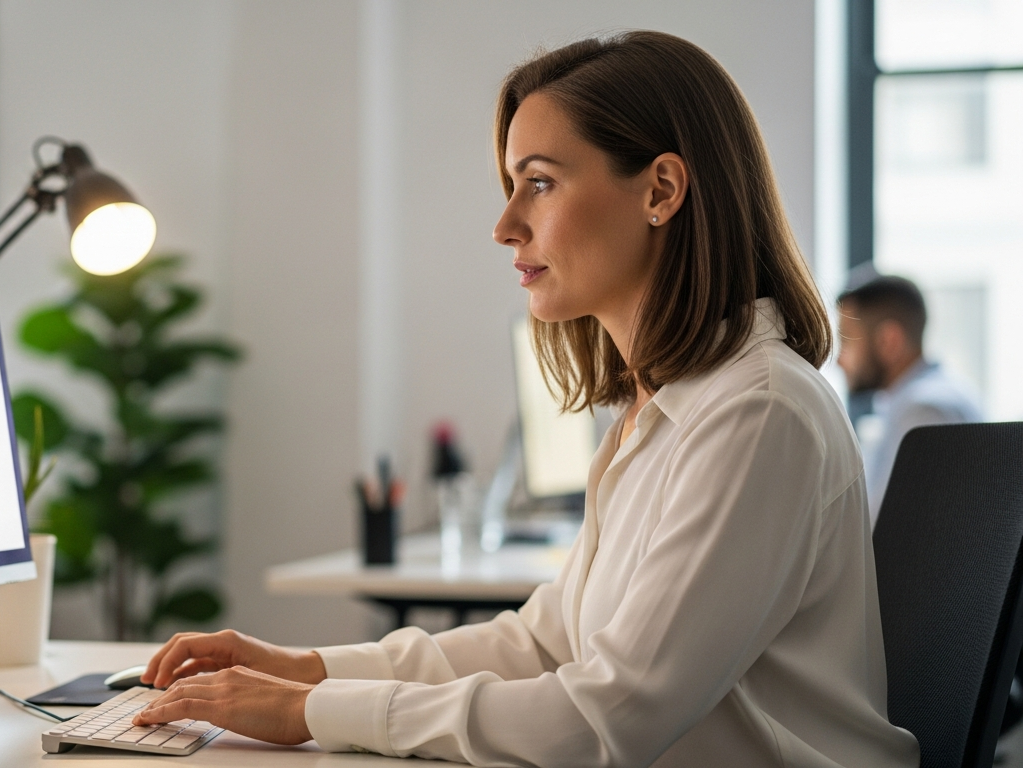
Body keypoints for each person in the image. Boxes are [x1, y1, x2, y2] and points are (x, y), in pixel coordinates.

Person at [130, 31, 920, 766]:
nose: (506, 225)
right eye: (512, 187)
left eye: (539, 183)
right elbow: (545, 644)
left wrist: (312, 712)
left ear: (662, 189)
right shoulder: (665, 408)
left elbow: (610, 713)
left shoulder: (758, 412)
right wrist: (301, 669)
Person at [837, 273, 983, 528]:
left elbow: (881, 529)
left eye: (846, 341)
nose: (839, 360)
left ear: (888, 340)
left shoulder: (924, 413)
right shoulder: (933, 396)